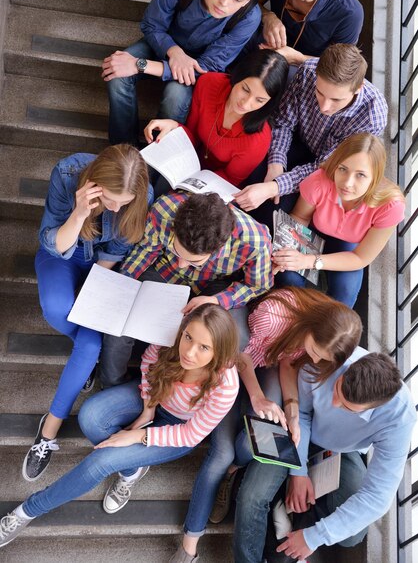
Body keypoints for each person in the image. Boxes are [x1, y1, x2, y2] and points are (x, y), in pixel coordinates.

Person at [0, 304, 240, 563]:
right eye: (188, 337)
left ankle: (27, 511)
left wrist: (137, 436)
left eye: (204, 347)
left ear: (219, 351)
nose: (189, 352)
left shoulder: (226, 385)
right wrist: (148, 409)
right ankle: (130, 470)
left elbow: (191, 435)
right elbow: (149, 363)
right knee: (90, 416)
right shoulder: (171, 336)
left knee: (101, 461)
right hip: (154, 399)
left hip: (179, 430)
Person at [22, 145, 153, 482]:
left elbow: (117, 250)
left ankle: (49, 429)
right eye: (110, 199)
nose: (115, 207)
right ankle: (85, 361)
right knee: (58, 310)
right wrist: (80, 213)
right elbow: (53, 243)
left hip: (101, 266)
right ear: (93, 183)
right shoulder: (68, 174)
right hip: (62, 252)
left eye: (123, 203)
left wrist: (92, 289)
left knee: (91, 345)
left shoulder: (141, 194)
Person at [233, 350, 416, 563]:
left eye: (347, 407)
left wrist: (313, 537)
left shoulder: (400, 418)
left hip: (340, 452)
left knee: (353, 535)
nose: (334, 403)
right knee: (252, 496)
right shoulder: (329, 355)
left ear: (373, 408)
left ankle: (289, 514)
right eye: (337, 388)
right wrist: (298, 472)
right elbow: (300, 413)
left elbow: (377, 498)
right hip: (294, 430)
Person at [208, 287, 362, 525]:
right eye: (315, 353)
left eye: (323, 359)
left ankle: (232, 470)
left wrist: (292, 412)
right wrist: (257, 397)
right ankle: (224, 471)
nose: (316, 361)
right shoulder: (273, 315)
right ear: (311, 327)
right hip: (236, 364)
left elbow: (289, 362)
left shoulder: (320, 336)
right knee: (226, 448)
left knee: (264, 434)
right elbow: (240, 354)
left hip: (270, 362)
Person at [99, 191, 273, 389]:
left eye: (192, 261)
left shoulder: (255, 241)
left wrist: (217, 300)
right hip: (163, 271)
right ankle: (112, 387)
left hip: (214, 286)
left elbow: (259, 285)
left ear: (218, 248)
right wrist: (125, 283)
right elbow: (146, 250)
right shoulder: (164, 210)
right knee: (119, 325)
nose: (182, 264)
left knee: (235, 337)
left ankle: (183, 390)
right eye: (176, 250)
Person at [102, 0, 266, 147]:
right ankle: (122, 152)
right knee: (117, 75)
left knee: (176, 97)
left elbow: (207, 68)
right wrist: (174, 51)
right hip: (162, 44)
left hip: (197, 67)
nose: (224, 2)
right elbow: (152, 25)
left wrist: (140, 65)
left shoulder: (249, 18)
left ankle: (155, 161)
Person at [234, 43, 388, 220]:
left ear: (358, 88)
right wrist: (276, 163)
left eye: (336, 99)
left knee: (276, 211)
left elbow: (328, 166)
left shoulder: (372, 116)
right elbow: (284, 122)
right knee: (251, 179)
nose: (324, 106)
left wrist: (276, 186)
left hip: (332, 171)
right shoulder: (307, 72)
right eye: (320, 93)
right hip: (296, 142)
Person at [273, 133, 405, 308]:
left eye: (361, 175)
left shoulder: (390, 205)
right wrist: (288, 250)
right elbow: (300, 216)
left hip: (349, 247)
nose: (347, 183)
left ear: (375, 177)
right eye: (343, 169)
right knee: (287, 275)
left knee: (344, 295)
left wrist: (310, 261)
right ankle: (295, 313)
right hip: (313, 231)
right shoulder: (320, 180)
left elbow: (361, 258)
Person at [144, 49, 289, 188]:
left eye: (260, 100)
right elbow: (192, 137)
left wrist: (192, 184)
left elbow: (230, 179)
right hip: (187, 159)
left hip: (214, 185)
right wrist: (175, 126)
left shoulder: (259, 138)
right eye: (245, 89)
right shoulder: (209, 83)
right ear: (238, 76)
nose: (246, 103)